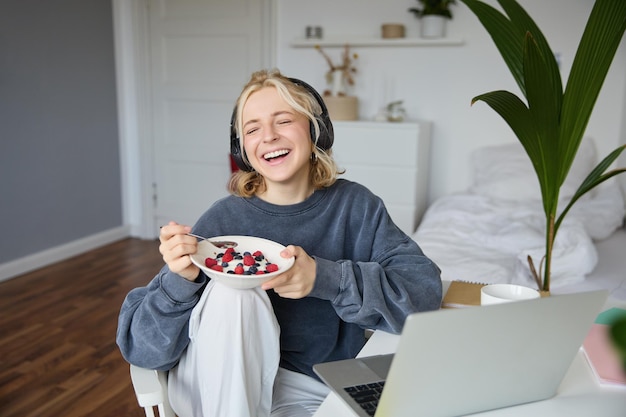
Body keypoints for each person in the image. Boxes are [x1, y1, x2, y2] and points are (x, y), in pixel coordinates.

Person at [116, 69, 442, 417]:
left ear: (316, 130)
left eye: (283, 120)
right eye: (252, 129)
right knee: (234, 293)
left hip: (309, 385)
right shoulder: (222, 222)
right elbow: (142, 349)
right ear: (242, 148)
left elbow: (423, 293)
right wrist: (178, 281)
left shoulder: (357, 208)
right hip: (215, 384)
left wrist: (324, 278)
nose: (268, 136)